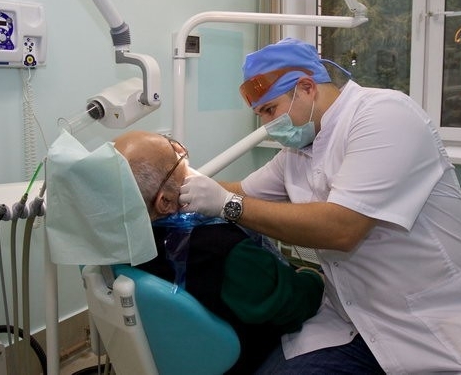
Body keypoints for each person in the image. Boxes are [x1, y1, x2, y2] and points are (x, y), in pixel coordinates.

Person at [178, 38, 461, 374]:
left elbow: (340, 228)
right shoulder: (298, 150)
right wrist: (174, 178)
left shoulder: (384, 115)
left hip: (443, 328)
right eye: (261, 114)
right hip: (352, 324)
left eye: (270, 110)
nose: (268, 125)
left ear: (306, 87)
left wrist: (226, 205)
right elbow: (241, 191)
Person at [113, 130, 324, 375]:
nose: (183, 155)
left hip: (171, 358)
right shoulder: (226, 250)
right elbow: (293, 306)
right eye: (176, 157)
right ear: (165, 201)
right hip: (243, 361)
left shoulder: (116, 246)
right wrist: (313, 279)